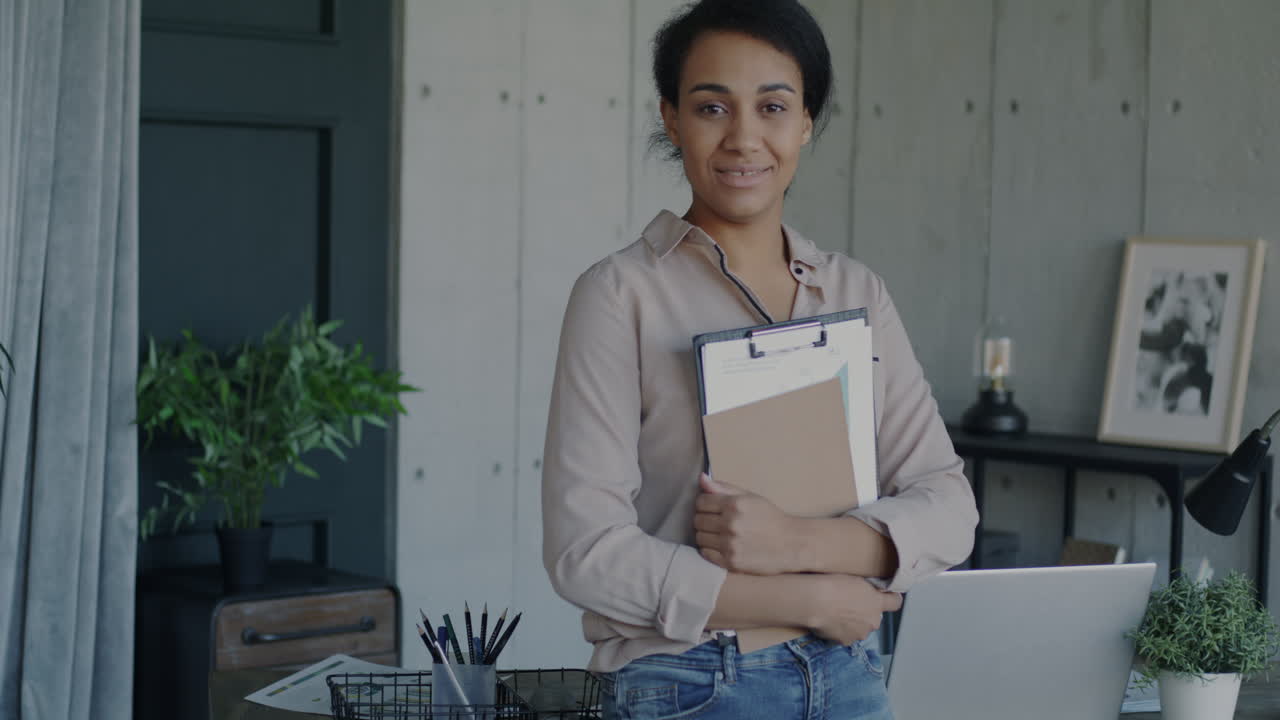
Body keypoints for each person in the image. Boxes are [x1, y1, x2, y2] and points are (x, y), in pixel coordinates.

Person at [541, 1, 978, 718]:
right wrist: (808, 595)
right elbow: (585, 553)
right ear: (672, 118)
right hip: (688, 678)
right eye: (712, 107)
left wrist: (799, 542)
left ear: (806, 122)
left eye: (773, 106)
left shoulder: (856, 292)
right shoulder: (620, 296)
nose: (744, 138)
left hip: (852, 671)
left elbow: (950, 506)